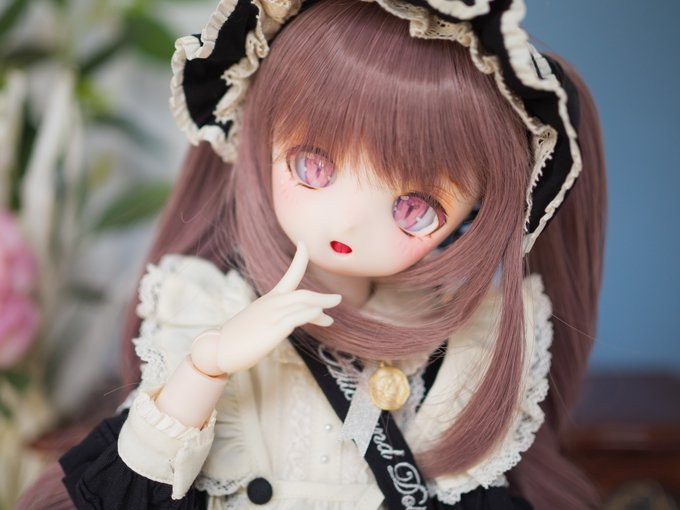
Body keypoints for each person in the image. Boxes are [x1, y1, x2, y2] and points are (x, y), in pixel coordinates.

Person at [17, 0, 607, 508]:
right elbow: (127, 491)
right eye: (312, 167)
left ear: (476, 215)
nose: (347, 220)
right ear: (259, 139)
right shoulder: (204, 306)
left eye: (415, 208)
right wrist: (206, 366)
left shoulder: (462, 344)